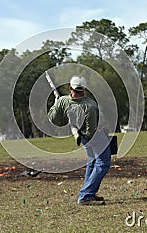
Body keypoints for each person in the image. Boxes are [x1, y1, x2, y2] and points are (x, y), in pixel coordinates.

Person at [48, 75, 111, 205]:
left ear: (71, 88)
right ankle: (86, 195)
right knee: (103, 164)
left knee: (92, 162)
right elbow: (91, 131)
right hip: (94, 137)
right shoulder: (90, 106)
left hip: (82, 137)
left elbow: (53, 118)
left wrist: (56, 104)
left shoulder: (63, 101)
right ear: (84, 89)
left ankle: (89, 193)